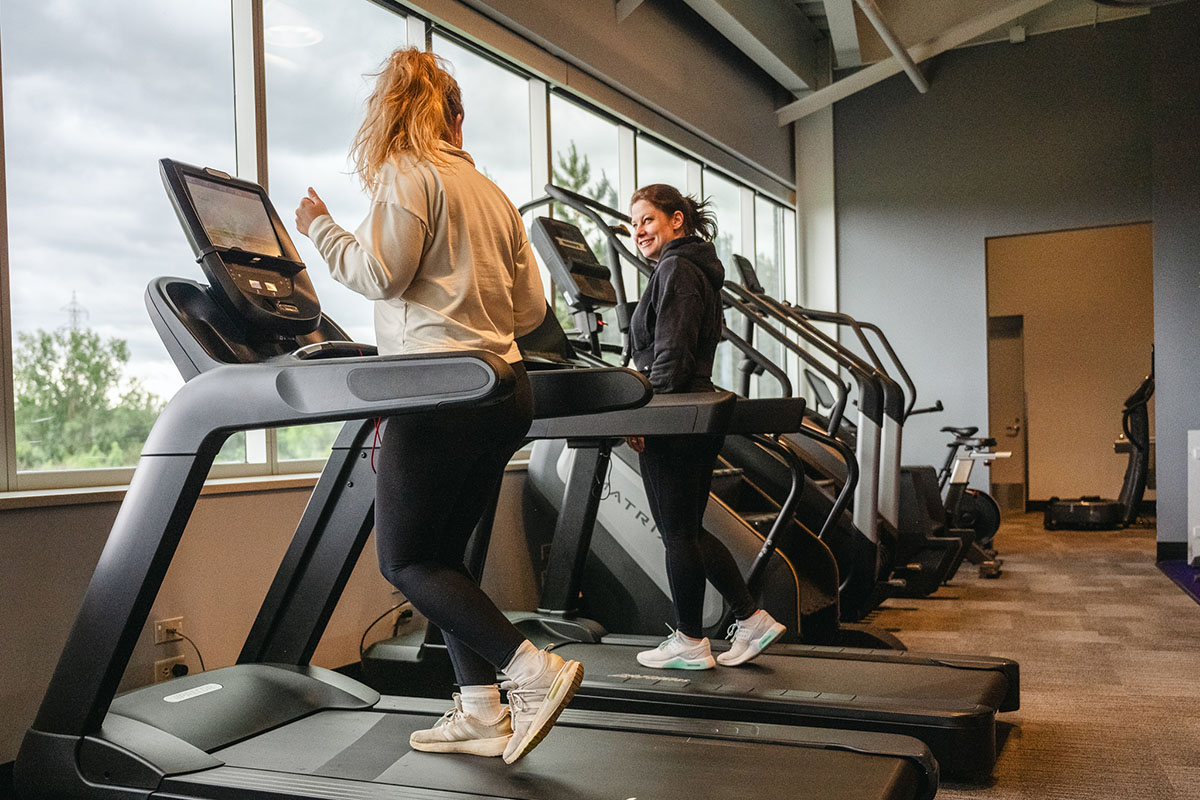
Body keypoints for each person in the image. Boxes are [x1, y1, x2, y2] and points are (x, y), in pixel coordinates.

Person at [294, 47, 581, 764]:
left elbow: (380, 274)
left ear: (394, 112)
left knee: (406, 560)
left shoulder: (405, 172)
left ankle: (530, 672)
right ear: (457, 115)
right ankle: (481, 711)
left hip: (437, 392)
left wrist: (319, 228)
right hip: (504, 390)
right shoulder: (489, 190)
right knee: (445, 558)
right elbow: (528, 310)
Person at [625, 183, 786, 670]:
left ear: (677, 220)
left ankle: (691, 640)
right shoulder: (693, 267)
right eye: (633, 224)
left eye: (647, 220)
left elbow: (671, 353)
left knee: (677, 533)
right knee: (688, 531)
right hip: (692, 409)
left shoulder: (676, 268)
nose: (638, 232)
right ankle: (751, 618)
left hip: (675, 413)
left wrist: (645, 413)